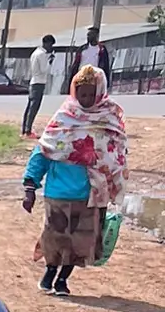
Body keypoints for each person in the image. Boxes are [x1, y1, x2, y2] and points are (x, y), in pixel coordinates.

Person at [21, 64, 127, 294]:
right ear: (74, 92)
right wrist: (30, 186)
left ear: (100, 92)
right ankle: (50, 272)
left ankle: (62, 280)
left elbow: (116, 156)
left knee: (80, 241)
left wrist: (113, 185)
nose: (86, 99)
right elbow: (43, 152)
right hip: (58, 193)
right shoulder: (63, 119)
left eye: (90, 94)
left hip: (90, 194)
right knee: (55, 237)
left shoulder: (109, 120)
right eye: (82, 94)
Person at [22, 33, 56, 135]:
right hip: (38, 82)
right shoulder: (41, 54)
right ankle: (28, 131)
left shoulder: (35, 53)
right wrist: (50, 61)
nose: (51, 47)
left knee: (30, 107)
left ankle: (25, 129)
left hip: (34, 82)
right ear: (46, 43)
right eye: (50, 45)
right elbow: (43, 70)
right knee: (34, 108)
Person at [65, 24, 111, 89]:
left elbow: (105, 65)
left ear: (96, 35)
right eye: (88, 35)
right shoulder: (82, 49)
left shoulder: (101, 49)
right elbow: (76, 63)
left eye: (90, 35)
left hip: (94, 76)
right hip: (81, 75)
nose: (88, 37)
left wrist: (106, 81)